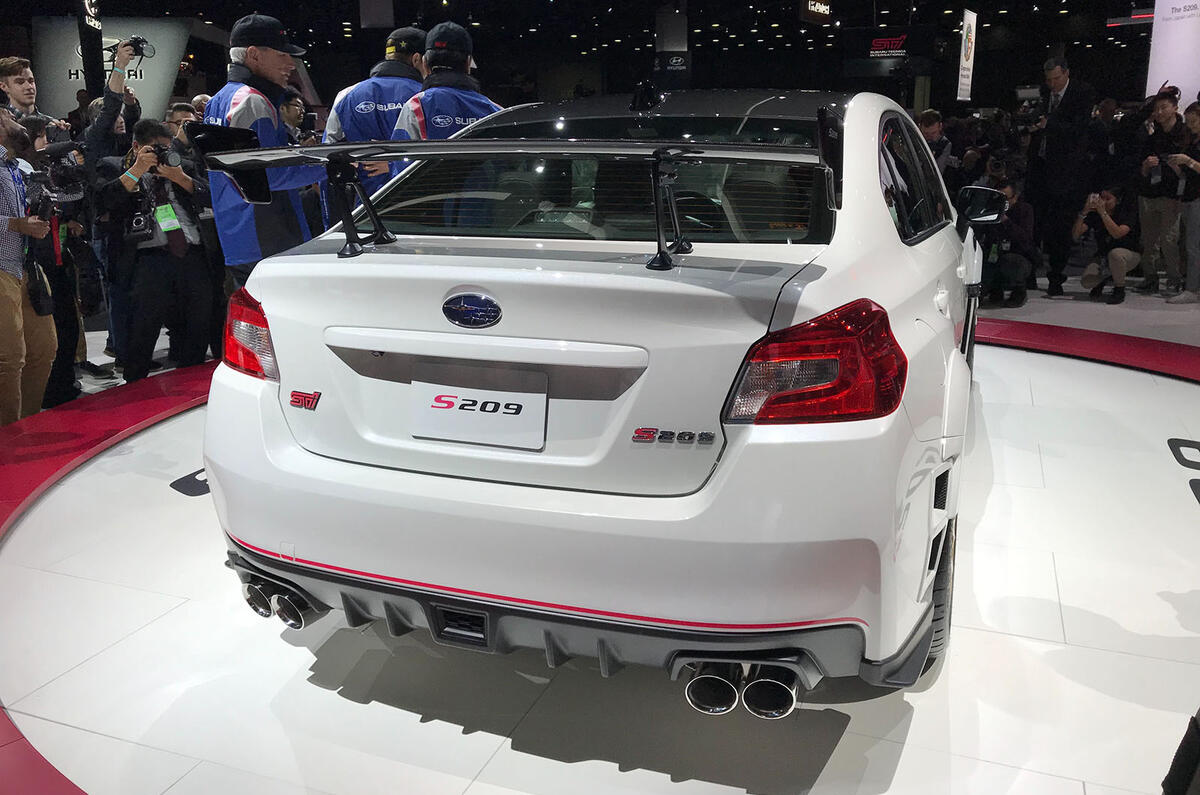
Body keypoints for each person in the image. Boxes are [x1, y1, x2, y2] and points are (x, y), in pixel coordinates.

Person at [204, 14, 326, 287]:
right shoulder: (253, 101)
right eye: (282, 54)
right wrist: (328, 166)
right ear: (253, 54)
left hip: (237, 233)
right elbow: (265, 176)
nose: (290, 64)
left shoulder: (219, 100)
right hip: (268, 233)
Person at [95, 120, 210, 382]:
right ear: (137, 146)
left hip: (191, 252)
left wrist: (179, 177)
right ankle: (135, 383)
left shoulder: (184, 167)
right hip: (148, 258)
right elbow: (102, 203)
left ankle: (191, 382)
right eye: (155, 149)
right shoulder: (114, 167)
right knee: (143, 328)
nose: (162, 155)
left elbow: (210, 196)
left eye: (166, 149)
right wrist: (137, 170)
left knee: (198, 320)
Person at [0, 107, 55, 425]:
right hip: (3, 267)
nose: (14, 121)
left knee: (43, 350)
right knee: (8, 358)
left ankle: (27, 423)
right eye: (7, 117)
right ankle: (9, 436)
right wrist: (18, 224)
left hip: (25, 265)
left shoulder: (13, 166)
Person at [325, 26, 427, 195]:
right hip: (417, 204)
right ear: (417, 59)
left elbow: (327, 155)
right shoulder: (425, 96)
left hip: (363, 207)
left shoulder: (346, 95)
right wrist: (396, 162)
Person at [1027, 56, 1096, 296]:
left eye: (1056, 78)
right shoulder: (1046, 95)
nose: (1052, 84)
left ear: (1066, 73)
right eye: (1049, 80)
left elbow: (1080, 129)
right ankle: (1029, 273)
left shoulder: (1082, 93)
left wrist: (1050, 124)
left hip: (1067, 173)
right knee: (1035, 223)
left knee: (1060, 227)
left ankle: (1056, 276)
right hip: (1040, 169)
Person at [392, 22, 502, 142]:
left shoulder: (416, 107)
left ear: (424, 63)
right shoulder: (495, 111)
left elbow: (401, 159)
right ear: (468, 63)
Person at [1134, 87, 1189, 295]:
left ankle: (1174, 278)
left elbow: (1189, 169)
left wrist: (1179, 167)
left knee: (1169, 240)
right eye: (1156, 108)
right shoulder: (1151, 135)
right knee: (1149, 240)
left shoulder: (1184, 135)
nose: (1159, 112)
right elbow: (1140, 166)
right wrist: (1146, 165)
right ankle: (1151, 277)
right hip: (1149, 192)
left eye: (1164, 107)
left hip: (1172, 194)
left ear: (1175, 108)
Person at [1074, 185, 1140, 305]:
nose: (1103, 201)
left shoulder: (1126, 213)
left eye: (1107, 199)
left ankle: (1119, 289)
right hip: (1103, 257)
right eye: (1101, 198)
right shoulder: (1095, 215)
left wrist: (1103, 213)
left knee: (1115, 255)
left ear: (1117, 200)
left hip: (1128, 254)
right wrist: (1084, 212)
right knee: (1087, 282)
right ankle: (1103, 279)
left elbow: (1117, 234)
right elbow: (1075, 235)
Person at [979, 179, 1037, 308]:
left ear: (1015, 197)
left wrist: (1005, 221)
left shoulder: (1025, 210)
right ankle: (994, 289)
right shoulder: (990, 209)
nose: (1002, 202)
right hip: (994, 253)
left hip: (1019, 256)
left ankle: (1019, 291)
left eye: (1005, 199)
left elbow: (1025, 240)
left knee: (1012, 262)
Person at [1165, 102, 1200, 304]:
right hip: (1189, 195)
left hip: (1197, 198)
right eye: (1188, 122)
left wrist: (1188, 161)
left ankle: (1193, 289)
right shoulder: (1192, 141)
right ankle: (1192, 286)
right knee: (1191, 244)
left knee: (1193, 246)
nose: (1190, 125)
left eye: (1193, 121)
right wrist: (1179, 166)